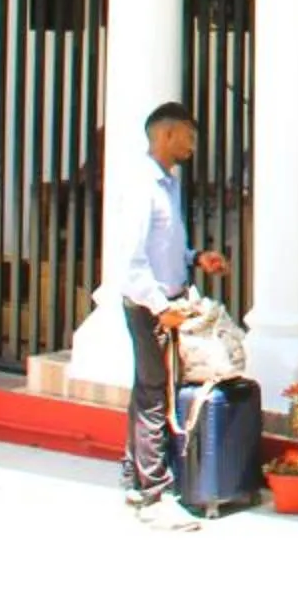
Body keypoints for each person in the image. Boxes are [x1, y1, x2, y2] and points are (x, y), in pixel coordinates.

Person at [120, 100, 229, 529]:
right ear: (166, 134)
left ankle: (134, 477)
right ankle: (155, 495)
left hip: (168, 302)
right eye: (189, 135)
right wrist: (160, 306)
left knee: (150, 389)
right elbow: (131, 260)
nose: (193, 144)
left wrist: (195, 257)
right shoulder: (142, 185)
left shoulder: (169, 183)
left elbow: (165, 247)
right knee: (155, 395)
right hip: (151, 306)